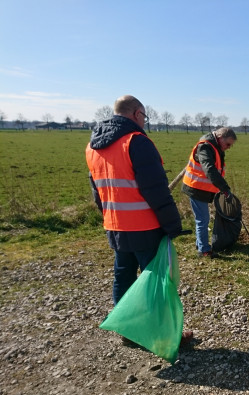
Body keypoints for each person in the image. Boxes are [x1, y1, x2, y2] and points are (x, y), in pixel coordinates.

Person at [86, 95, 192, 346]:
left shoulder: (92, 146)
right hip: (145, 226)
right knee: (156, 282)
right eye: (144, 117)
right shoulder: (137, 142)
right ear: (136, 114)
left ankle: (129, 331)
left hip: (115, 226)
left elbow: (97, 193)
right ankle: (167, 336)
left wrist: (110, 217)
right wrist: (172, 225)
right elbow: (156, 190)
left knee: (123, 277)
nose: (144, 122)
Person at [181, 127, 237, 258]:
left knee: (202, 219)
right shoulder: (205, 147)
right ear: (219, 137)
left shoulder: (215, 147)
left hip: (200, 188)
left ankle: (200, 244)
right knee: (203, 219)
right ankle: (204, 251)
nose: (229, 147)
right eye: (228, 144)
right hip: (195, 188)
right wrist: (224, 188)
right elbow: (210, 170)